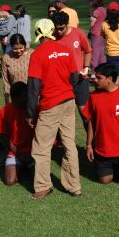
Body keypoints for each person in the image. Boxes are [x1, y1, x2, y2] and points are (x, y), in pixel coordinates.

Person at [26, 18, 82, 200]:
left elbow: (34, 87)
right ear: (53, 32)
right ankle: (74, 186)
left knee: (41, 147)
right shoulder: (66, 50)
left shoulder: (37, 55)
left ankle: (42, 186)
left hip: (50, 104)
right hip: (68, 101)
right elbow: (74, 77)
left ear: (36, 34)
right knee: (69, 143)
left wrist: (30, 113)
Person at [84, 63, 119, 185]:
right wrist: (89, 145)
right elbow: (91, 122)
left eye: (99, 78)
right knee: (105, 180)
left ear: (109, 79)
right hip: (103, 151)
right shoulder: (93, 96)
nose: (95, 80)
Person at [52, 11, 92, 124]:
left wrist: (86, 67)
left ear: (67, 24)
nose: (59, 32)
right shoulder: (52, 37)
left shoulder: (78, 33)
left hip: (80, 81)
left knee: (86, 116)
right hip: (62, 83)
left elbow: (88, 51)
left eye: (62, 28)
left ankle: (92, 141)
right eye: (57, 29)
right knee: (62, 118)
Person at [0, 81, 35, 186]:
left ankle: (26, 166)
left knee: (38, 180)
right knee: (10, 181)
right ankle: (21, 167)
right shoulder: (4, 111)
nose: (27, 99)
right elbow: (3, 136)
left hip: (33, 153)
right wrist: (19, 154)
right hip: (14, 153)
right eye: (24, 96)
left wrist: (31, 154)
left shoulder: (33, 109)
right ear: (14, 98)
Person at [1, 33, 32, 103]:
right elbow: (5, 80)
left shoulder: (32, 55)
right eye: (15, 49)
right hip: (16, 97)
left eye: (21, 48)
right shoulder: (7, 58)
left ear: (25, 45)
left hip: (32, 94)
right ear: (11, 47)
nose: (18, 51)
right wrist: (7, 99)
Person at [89, 0, 108, 68]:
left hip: (95, 33)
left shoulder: (96, 11)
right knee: (101, 54)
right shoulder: (105, 10)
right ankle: (102, 71)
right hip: (102, 34)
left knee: (95, 55)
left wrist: (91, 17)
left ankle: (94, 73)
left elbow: (92, 24)